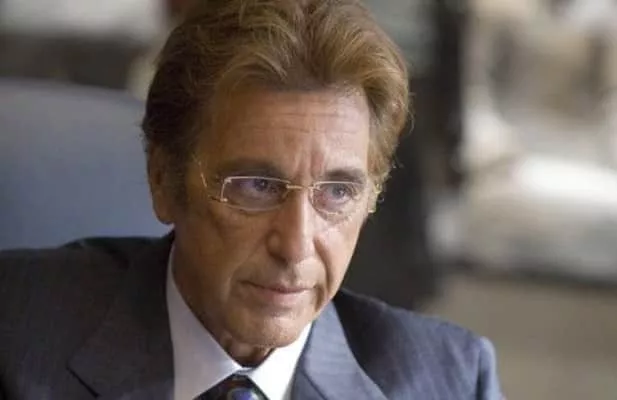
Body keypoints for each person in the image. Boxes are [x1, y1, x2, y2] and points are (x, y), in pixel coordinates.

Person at [0, 0, 503, 399]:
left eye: (337, 192)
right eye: (256, 186)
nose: (296, 247)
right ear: (163, 180)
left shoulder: (453, 381)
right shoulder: (17, 330)